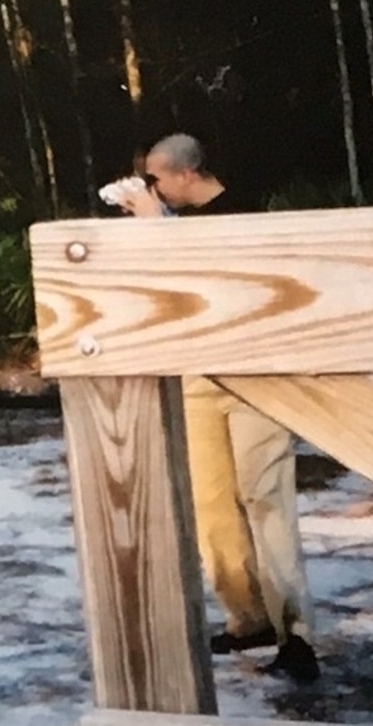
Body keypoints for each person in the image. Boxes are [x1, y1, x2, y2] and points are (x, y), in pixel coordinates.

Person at [104, 132, 318, 682]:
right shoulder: (166, 222)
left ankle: (294, 633)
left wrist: (160, 227)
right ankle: (247, 617)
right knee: (212, 502)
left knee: (265, 495)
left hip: (254, 375)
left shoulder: (243, 209)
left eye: (154, 178)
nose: (150, 188)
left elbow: (227, 270)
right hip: (198, 374)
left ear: (184, 174)